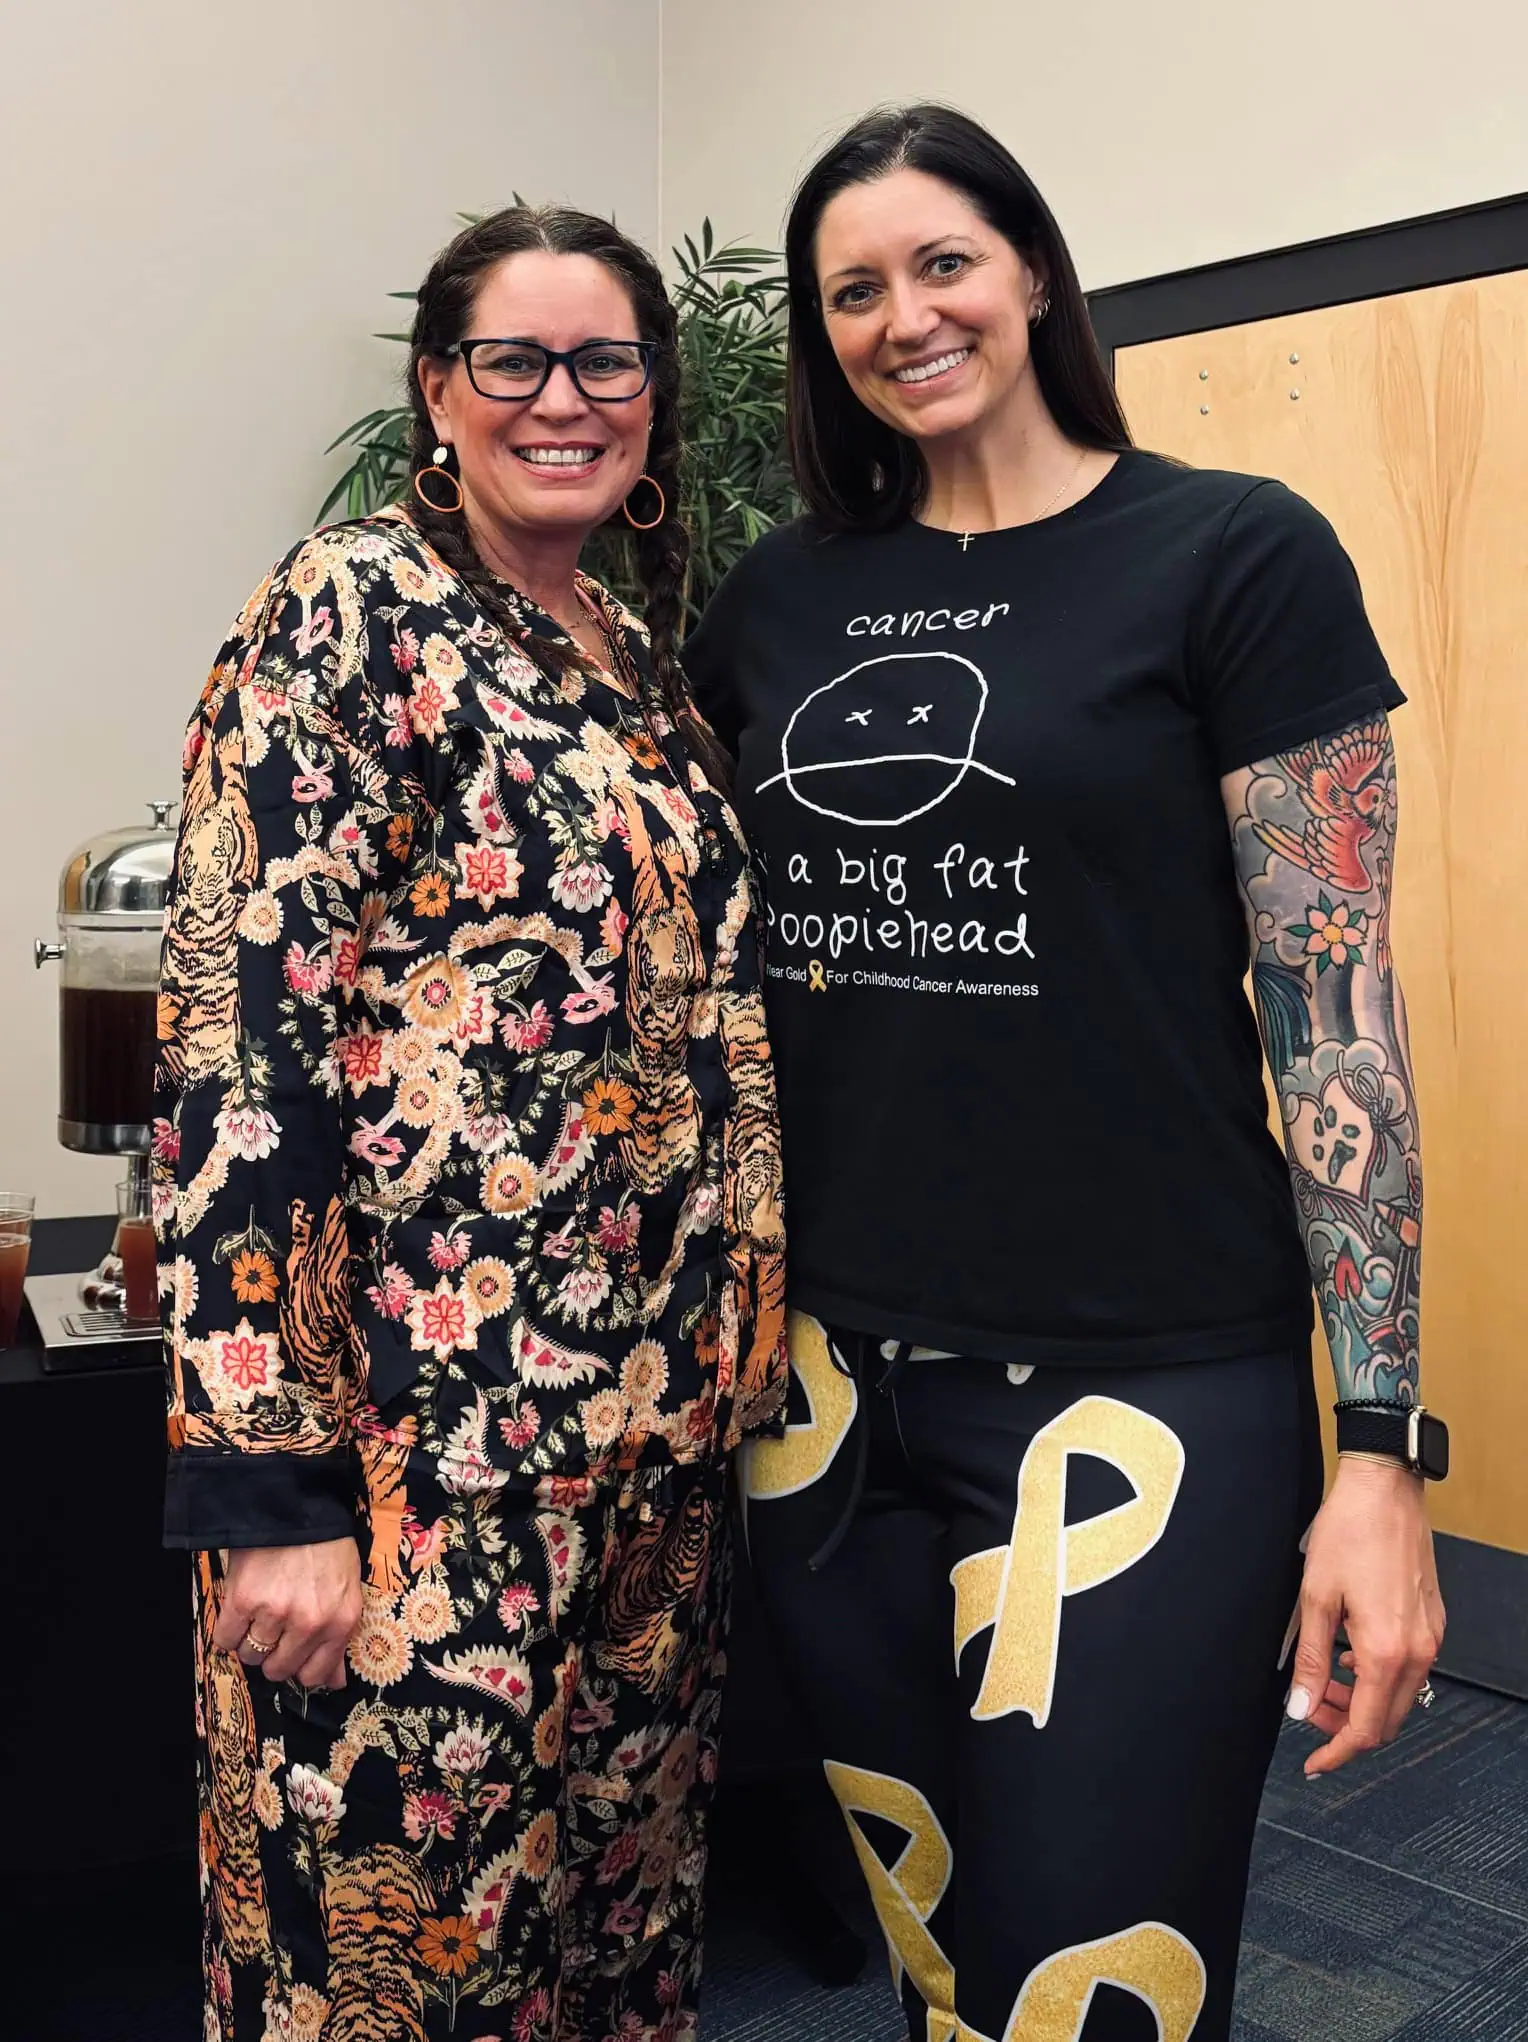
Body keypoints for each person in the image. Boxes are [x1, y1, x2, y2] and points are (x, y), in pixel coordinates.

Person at [682, 105, 1446, 2042]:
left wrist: (1377, 1452)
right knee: (942, 1956)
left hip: (1147, 1380)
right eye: (853, 288)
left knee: (1092, 1985)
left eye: (942, 261)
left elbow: (1337, 1019)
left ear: (1030, 269)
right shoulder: (775, 600)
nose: (905, 315)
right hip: (827, 1392)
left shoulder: (1232, 553)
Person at [154, 204, 786, 2042]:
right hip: (416, 1460)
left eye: (607, 363)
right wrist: (272, 1485)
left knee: (614, 1932)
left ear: (653, 403)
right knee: (405, 1957)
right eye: (515, 359)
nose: (562, 399)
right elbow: (239, 1033)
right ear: (439, 390)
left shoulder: (633, 652)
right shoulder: (346, 611)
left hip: (649, 1448)